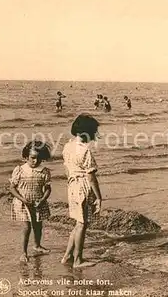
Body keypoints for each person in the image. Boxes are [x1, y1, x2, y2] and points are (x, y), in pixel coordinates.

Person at [61, 114, 102, 268]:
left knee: (78, 223)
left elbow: (66, 169)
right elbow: (91, 178)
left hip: (72, 185)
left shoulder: (67, 146)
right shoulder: (85, 151)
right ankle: (78, 260)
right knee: (82, 225)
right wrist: (99, 197)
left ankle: (67, 255)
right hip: (83, 187)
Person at [9, 141, 52, 262]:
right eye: (32, 158)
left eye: (38, 158)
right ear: (26, 157)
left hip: (38, 201)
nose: (35, 161)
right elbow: (12, 188)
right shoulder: (20, 170)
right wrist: (22, 199)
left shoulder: (44, 171)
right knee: (27, 226)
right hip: (23, 202)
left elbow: (48, 189)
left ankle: (37, 245)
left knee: (38, 225)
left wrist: (43, 200)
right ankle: (24, 252)